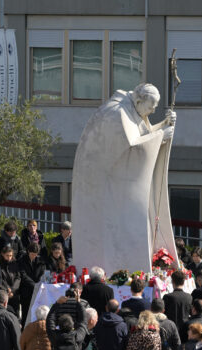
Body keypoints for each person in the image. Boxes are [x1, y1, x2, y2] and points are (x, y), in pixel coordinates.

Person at [72, 83, 178, 274]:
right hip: (104, 188)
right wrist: (161, 134)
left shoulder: (132, 110)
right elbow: (131, 148)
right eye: (151, 105)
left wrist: (165, 125)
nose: (153, 110)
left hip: (116, 185)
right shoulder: (116, 113)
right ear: (139, 100)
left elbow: (141, 137)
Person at [18, 242, 46, 326]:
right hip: (26, 290)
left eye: (35, 254)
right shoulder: (22, 260)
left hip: (38, 291)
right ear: (28, 251)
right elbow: (23, 275)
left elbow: (42, 273)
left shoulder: (41, 261)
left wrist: (38, 284)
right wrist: (34, 285)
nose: (34, 256)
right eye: (32, 254)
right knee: (26, 313)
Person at [0, 246, 22, 316]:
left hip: (15, 292)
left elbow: (18, 277)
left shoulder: (15, 263)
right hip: (4, 292)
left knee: (16, 313)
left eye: (11, 255)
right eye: (7, 255)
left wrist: (12, 290)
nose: (9, 258)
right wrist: (7, 289)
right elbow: (1, 278)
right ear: (3, 254)